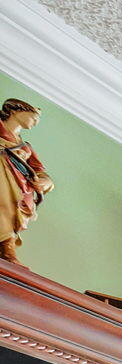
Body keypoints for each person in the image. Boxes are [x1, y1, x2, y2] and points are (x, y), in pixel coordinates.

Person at [1, 98, 52, 264]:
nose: (36, 122)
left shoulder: (25, 147)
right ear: (15, 111)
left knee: (14, 198)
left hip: (18, 183)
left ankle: (7, 246)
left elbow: (40, 171)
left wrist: (45, 182)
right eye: (33, 117)